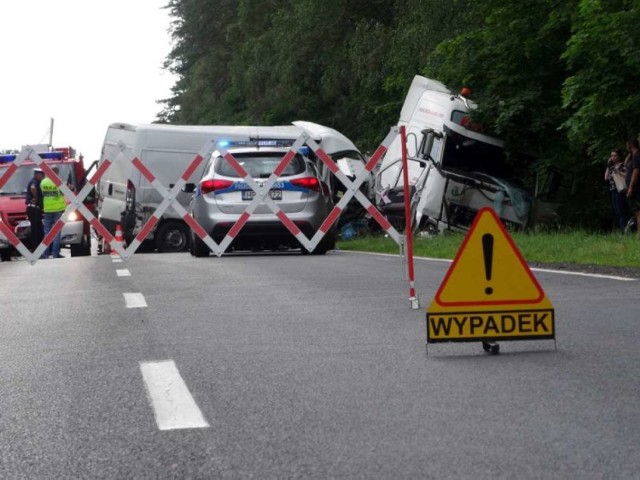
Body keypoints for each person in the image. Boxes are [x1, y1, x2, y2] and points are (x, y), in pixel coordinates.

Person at [41, 166, 66, 259]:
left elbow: (42, 193)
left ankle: (45, 254)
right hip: (58, 209)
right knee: (56, 232)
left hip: (47, 209)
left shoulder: (43, 182)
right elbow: (63, 193)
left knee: (47, 232)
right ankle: (55, 254)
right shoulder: (58, 181)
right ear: (57, 172)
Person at [604, 149, 629, 231]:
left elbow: (626, 176)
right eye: (611, 156)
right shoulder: (611, 167)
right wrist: (608, 165)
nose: (613, 157)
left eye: (615, 155)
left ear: (619, 156)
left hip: (620, 190)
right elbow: (606, 178)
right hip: (612, 190)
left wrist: (617, 171)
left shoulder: (623, 165)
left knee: (621, 209)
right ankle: (622, 228)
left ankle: (624, 228)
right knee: (616, 210)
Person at [25, 167, 45, 252]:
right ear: (37, 174)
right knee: (36, 230)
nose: (43, 177)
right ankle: (36, 249)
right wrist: (36, 197)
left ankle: (39, 249)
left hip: (35, 209)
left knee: (39, 229)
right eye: (42, 175)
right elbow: (33, 188)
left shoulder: (37, 181)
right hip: (33, 209)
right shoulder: (34, 181)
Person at [625, 138, 640, 238]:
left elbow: (636, 172)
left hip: (637, 187)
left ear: (630, 145)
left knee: (638, 211)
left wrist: (630, 187)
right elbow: (626, 164)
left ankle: (639, 233)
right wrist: (630, 153)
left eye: (627, 145)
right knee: (636, 211)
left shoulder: (637, 156)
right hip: (635, 187)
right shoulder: (633, 156)